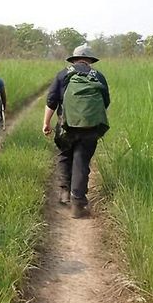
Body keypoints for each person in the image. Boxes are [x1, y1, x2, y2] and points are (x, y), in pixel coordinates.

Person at [42, 45, 110, 218]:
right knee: (81, 160)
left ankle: (65, 192)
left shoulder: (63, 74)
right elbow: (105, 101)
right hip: (91, 126)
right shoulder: (98, 76)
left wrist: (46, 123)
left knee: (65, 155)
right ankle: (77, 203)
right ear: (90, 61)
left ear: (74, 59)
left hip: (67, 126)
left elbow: (51, 101)